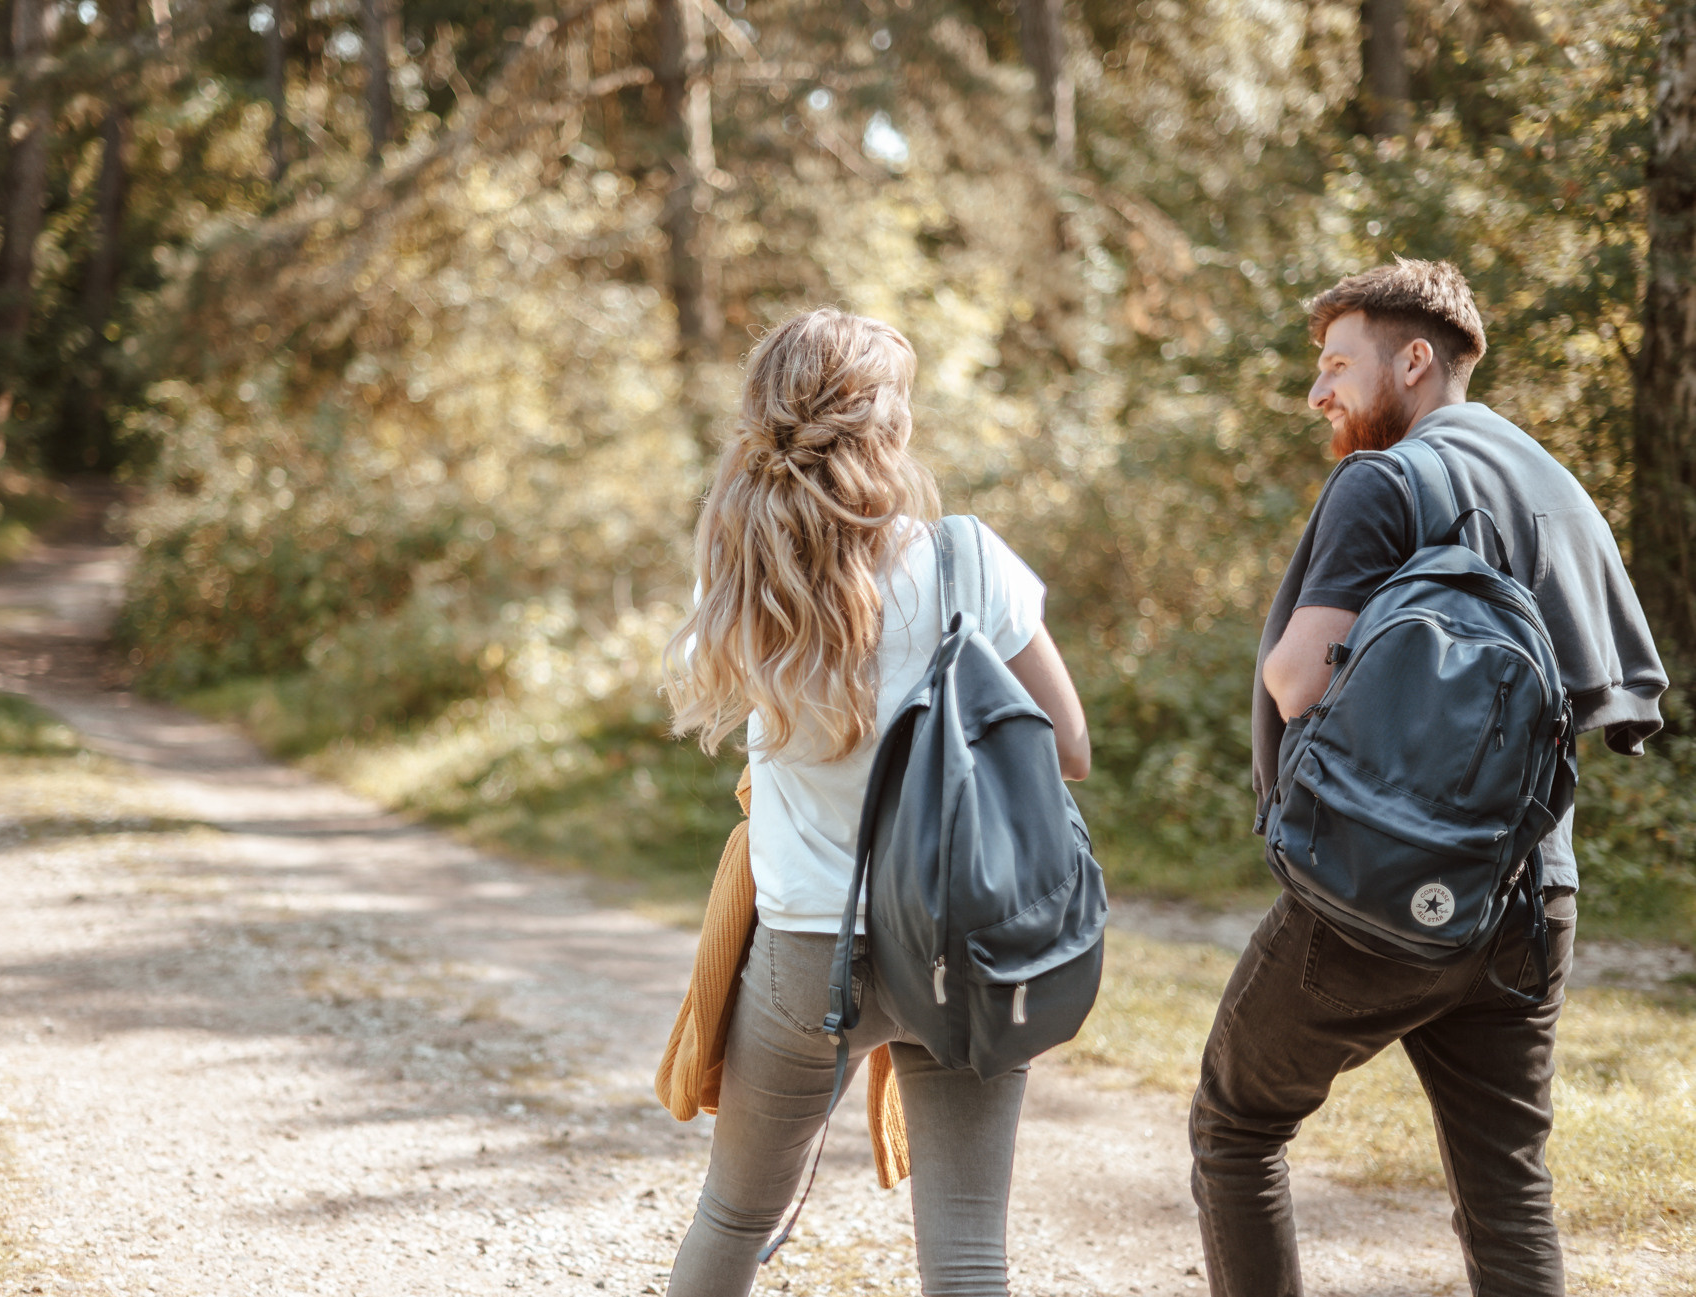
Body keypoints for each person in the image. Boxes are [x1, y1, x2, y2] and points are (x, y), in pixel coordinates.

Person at [1189, 258, 1668, 1296]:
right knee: (1507, 1186)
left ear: (1413, 361)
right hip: (1533, 896)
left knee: (1236, 1121)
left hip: (1376, 887)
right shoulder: (1557, 486)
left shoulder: (1387, 477)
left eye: (1336, 364)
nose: (1319, 393)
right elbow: (1605, 696)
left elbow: (1297, 676)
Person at [660, 308, 1090, 1297]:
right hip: (961, 939)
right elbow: (1068, 746)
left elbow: (716, 691)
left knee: (732, 1216)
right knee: (970, 1246)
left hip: (805, 948)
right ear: (889, 423)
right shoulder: (966, 560)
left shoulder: (741, 572)